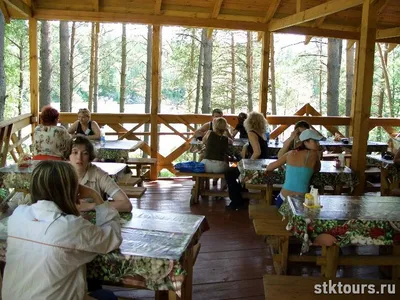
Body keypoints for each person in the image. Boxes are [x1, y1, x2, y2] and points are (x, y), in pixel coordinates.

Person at [2, 160, 121, 300]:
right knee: (108, 296)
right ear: (72, 189)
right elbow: (112, 237)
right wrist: (96, 196)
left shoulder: (18, 215)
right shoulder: (71, 226)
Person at [69, 136, 132, 212]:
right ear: (68, 156)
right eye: (75, 152)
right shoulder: (60, 174)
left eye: (85, 153)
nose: (79, 157)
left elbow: (126, 205)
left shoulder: (98, 174)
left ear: (90, 157)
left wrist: (90, 206)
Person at [265, 129, 322, 209]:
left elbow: (269, 167)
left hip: (283, 199)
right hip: (301, 201)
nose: (318, 144)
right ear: (305, 142)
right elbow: (317, 169)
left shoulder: (290, 153)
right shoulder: (315, 155)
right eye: (315, 141)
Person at [225, 112, 269, 210]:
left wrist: (247, 164)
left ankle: (236, 201)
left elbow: (257, 152)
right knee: (234, 168)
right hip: (263, 164)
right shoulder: (262, 133)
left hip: (256, 165)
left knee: (229, 172)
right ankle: (242, 194)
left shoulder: (252, 133)